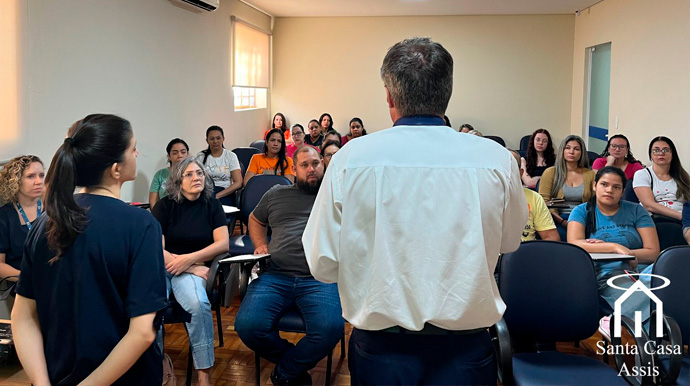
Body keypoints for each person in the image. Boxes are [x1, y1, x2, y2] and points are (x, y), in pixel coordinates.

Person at [302, 37, 527, 386]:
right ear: (447, 93)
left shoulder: (351, 159)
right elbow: (511, 241)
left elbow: (322, 262)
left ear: (390, 98)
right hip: (464, 346)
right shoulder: (496, 159)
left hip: (383, 345)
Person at [12, 114, 167, 385]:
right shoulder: (141, 225)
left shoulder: (44, 222)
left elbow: (23, 317)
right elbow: (142, 332)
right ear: (116, 169)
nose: (137, 153)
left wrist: (40, 383)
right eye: (133, 148)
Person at [235, 146, 343, 386]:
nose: (311, 169)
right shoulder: (276, 194)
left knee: (330, 329)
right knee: (247, 327)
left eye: (315, 163)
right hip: (275, 275)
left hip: (319, 277)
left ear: (323, 165)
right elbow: (255, 219)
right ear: (294, 169)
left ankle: (284, 373)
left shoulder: (336, 196)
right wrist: (260, 243)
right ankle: (292, 366)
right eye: (304, 165)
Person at [152, 157, 230, 386]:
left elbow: (222, 244)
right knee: (152, 306)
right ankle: (156, 367)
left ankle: (203, 375)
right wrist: (186, 263)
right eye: (189, 174)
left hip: (190, 270)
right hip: (163, 266)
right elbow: (157, 245)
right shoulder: (164, 206)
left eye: (199, 173)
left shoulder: (211, 204)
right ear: (177, 181)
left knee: (199, 305)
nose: (196, 177)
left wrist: (189, 261)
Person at [567, 166, 660, 336]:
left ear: (623, 191)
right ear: (595, 186)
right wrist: (615, 248)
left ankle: (614, 319)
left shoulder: (636, 211)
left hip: (643, 273)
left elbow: (653, 252)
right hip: (609, 276)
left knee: (668, 270)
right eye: (604, 184)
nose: (609, 190)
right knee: (658, 299)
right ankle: (652, 352)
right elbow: (574, 244)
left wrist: (629, 253)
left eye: (616, 187)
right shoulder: (581, 211)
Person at [539, 135, 595, 240]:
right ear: (562, 151)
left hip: (583, 219)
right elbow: (544, 202)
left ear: (582, 153)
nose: (571, 152)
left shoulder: (590, 174)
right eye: (568, 148)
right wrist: (563, 222)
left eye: (576, 149)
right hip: (556, 219)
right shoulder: (551, 173)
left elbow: (595, 202)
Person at [0, 155, 45, 282]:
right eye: (31, 176)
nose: (39, 181)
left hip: (56, 285)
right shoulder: (4, 217)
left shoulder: (53, 209)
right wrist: (30, 279)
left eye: (41, 175)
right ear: (16, 181)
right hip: (23, 286)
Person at [633, 136, 690, 222]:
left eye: (666, 150)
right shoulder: (642, 174)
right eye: (656, 150)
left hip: (682, 222)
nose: (661, 153)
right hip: (653, 220)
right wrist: (682, 217)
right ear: (651, 155)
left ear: (672, 154)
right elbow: (649, 205)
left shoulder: (682, 176)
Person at [508, 150, 558, 241]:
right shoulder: (481, 197)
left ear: (520, 173)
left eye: (511, 166)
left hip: (524, 252)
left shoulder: (534, 198)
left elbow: (551, 238)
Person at [197, 126, 242, 206]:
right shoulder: (201, 157)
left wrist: (217, 196)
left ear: (223, 139)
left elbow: (238, 182)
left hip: (226, 193)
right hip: (206, 193)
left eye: (218, 138)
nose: (215, 141)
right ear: (207, 140)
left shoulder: (231, 156)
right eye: (212, 139)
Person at [149, 138, 189, 209]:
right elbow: (153, 201)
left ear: (187, 154)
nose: (179, 155)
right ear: (169, 156)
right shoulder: (160, 174)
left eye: (183, 152)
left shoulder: (193, 173)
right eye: (175, 153)